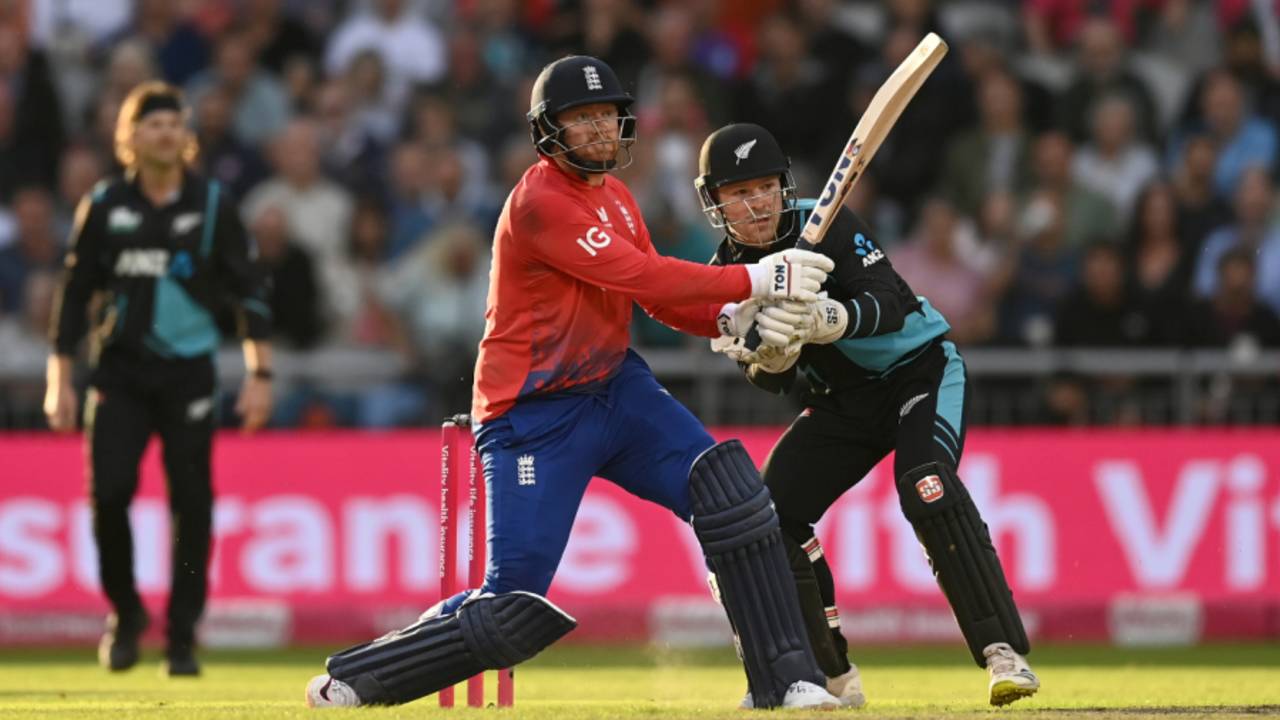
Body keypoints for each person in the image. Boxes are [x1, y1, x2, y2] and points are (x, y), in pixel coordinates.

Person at [303, 56, 841, 710]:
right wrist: (759, 281)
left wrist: (733, 319)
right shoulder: (539, 202)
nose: (597, 130)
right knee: (515, 605)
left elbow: (660, 300)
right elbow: (645, 278)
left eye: (605, 116)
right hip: (532, 414)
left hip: (616, 389)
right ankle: (359, 676)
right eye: (580, 118)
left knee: (733, 499)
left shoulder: (615, 197)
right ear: (548, 130)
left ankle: (785, 682)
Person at [687, 123, 1040, 707]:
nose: (756, 204)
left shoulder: (823, 223)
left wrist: (828, 320)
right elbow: (769, 380)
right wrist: (776, 352)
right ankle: (830, 676)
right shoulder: (728, 276)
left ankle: (1003, 653)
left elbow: (892, 303)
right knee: (770, 518)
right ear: (716, 202)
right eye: (738, 192)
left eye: (765, 188)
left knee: (925, 485)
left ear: (784, 186)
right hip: (841, 403)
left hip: (919, 372)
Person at [44, 82, 273, 676]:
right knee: (110, 495)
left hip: (188, 374)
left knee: (192, 504)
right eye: (152, 124)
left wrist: (259, 372)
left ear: (186, 135)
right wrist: (59, 377)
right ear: (129, 137)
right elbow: (73, 296)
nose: (165, 132)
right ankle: (125, 613)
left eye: (174, 123)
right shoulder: (103, 204)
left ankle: (181, 636)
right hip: (118, 372)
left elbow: (248, 289)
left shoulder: (213, 204)